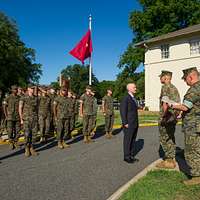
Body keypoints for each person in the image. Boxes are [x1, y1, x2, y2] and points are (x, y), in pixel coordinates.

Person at [169, 67, 200, 185]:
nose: (185, 82)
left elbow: (185, 107)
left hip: (193, 126)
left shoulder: (194, 89)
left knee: (192, 151)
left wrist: (172, 104)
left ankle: (196, 176)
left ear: (190, 77)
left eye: (185, 79)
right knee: (198, 149)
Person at [156, 70, 180, 169]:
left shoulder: (165, 87)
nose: (160, 78)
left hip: (167, 117)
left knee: (164, 137)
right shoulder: (174, 88)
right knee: (170, 137)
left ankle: (169, 161)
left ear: (165, 77)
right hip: (173, 117)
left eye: (161, 77)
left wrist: (163, 117)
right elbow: (177, 104)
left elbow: (165, 104)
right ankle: (172, 157)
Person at [120, 83, 139, 163]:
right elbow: (123, 111)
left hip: (134, 123)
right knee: (128, 140)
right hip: (128, 123)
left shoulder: (133, 98)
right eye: (134, 87)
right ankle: (126, 157)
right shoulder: (126, 98)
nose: (136, 88)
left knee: (133, 139)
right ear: (129, 89)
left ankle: (131, 155)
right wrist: (125, 122)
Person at [19, 84, 39, 157]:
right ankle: (27, 148)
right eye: (31, 88)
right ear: (28, 89)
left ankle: (32, 148)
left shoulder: (36, 98)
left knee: (34, 135)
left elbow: (37, 108)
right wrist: (21, 119)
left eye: (33, 88)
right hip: (26, 119)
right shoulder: (23, 97)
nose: (33, 89)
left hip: (34, 119)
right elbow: (20, 108)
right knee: (27, 135)